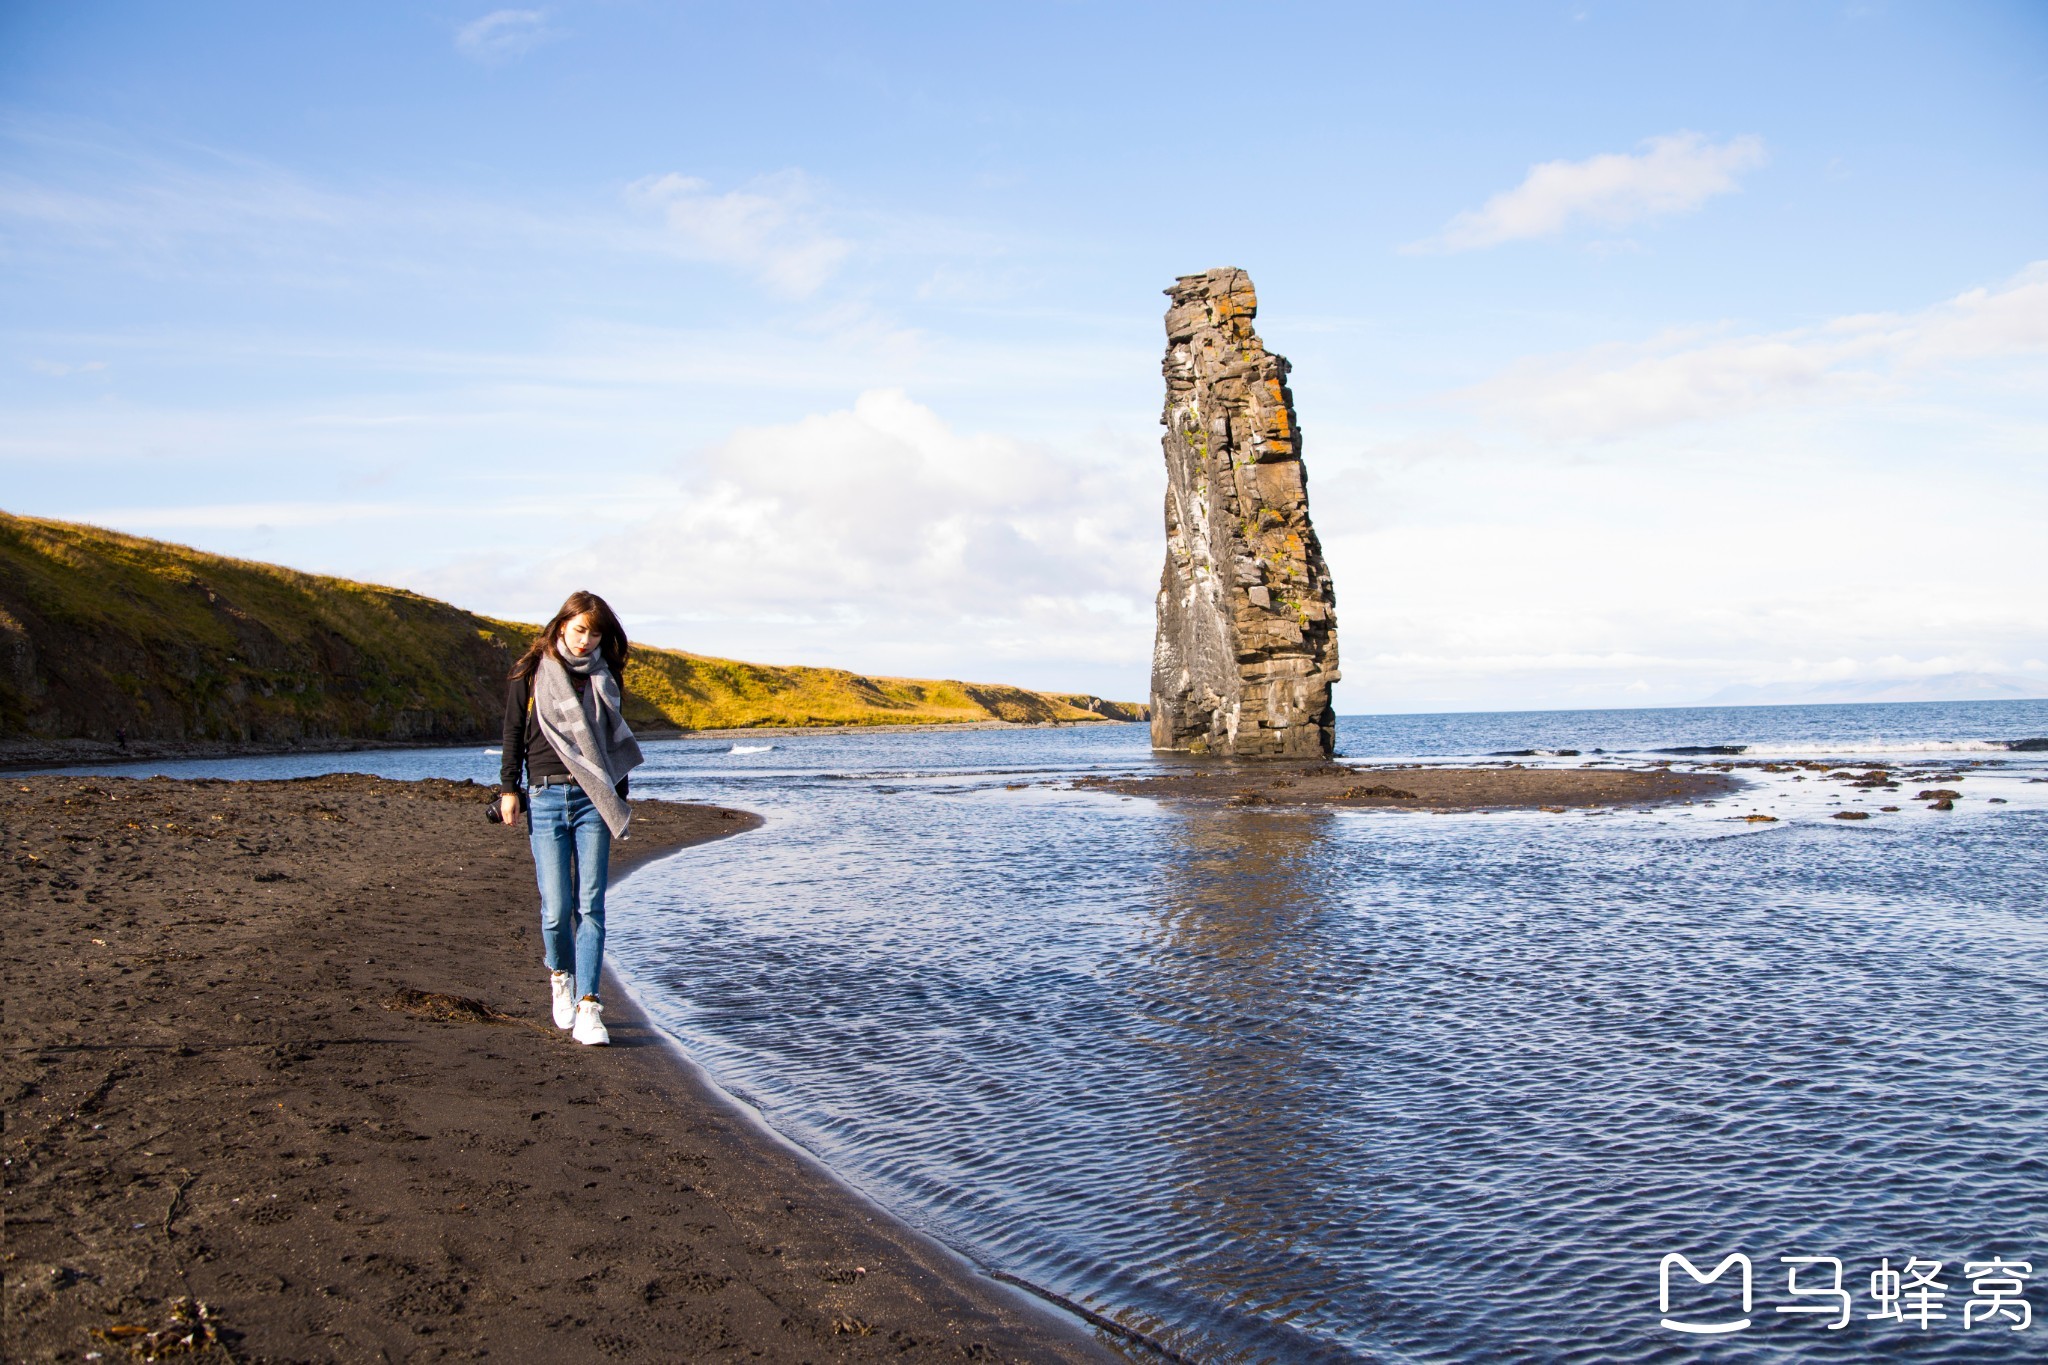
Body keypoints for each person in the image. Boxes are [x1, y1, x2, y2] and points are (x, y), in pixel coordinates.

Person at [497, 591, 643, 1045]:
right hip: (543, 795)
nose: (586, 640)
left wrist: (618, 797)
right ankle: (560, 975)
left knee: (592, 905)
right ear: (562, 624)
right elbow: (513, 732)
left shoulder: (605, 674)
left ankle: (589, 1006)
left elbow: (610, 745)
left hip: (593, 801)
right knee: (558, 909)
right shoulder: (533, 670)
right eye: (580, 629)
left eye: (595, 632)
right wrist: (508, 789)